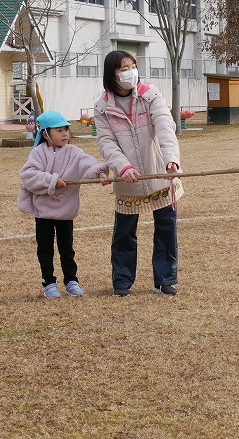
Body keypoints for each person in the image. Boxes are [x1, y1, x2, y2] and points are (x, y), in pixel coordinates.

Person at [94, 50, 183, 297]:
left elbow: (165, 127)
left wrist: (171, 160)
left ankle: (164, 279)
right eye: (123, 69)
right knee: (124, 231)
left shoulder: (150, 94)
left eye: (132, 66)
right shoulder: (103, 108)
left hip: (160, 174)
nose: (130, 72)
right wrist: (123, 167)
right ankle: (122, 280)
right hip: (127, 180)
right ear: (111, 74)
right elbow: (106, 143)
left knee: (166, 227)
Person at [18, 110, 110, 299]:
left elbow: (88, 164)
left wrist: (99, 173)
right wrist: (53, 180)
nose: (64, 135)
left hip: (66, 211)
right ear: (45, 133)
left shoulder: (74, 152)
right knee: (45, 249)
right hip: (43, 212)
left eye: (66, 130)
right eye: (59, 131)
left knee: (67, 249)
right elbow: (28, 175)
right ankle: (49, 283)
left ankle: (71, 280)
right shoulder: (38, 153)